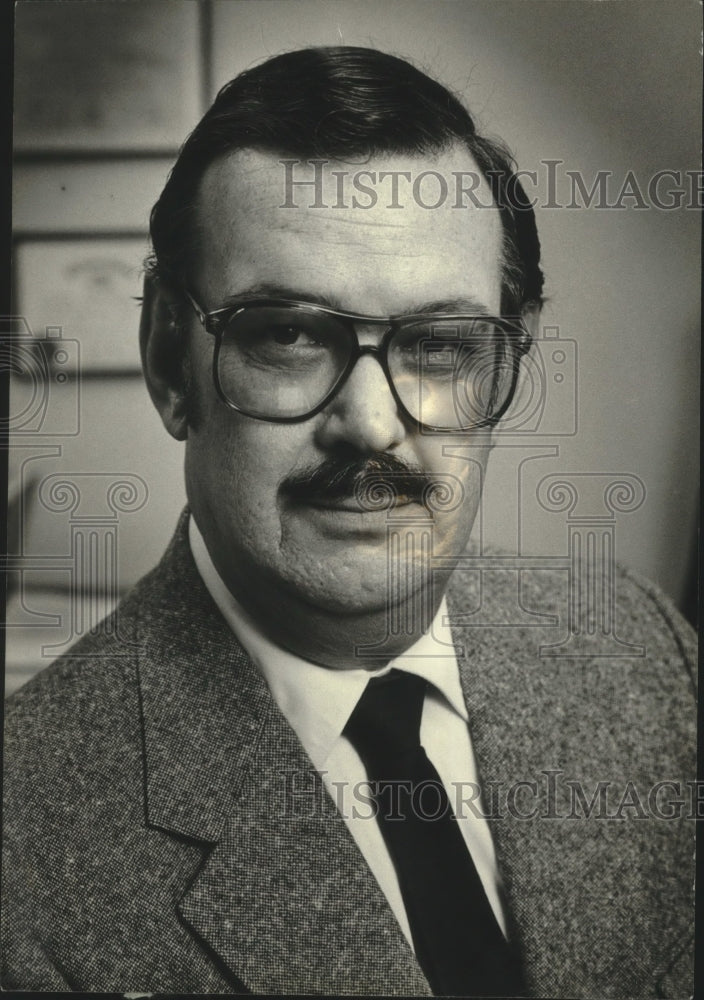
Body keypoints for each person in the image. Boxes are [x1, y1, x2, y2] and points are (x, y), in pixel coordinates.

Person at [2, 47, 696, 997]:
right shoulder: (23, 849)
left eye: (442, 344)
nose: (371, 423)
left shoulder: (642, 649)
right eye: (286, 333)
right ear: (171, 362)